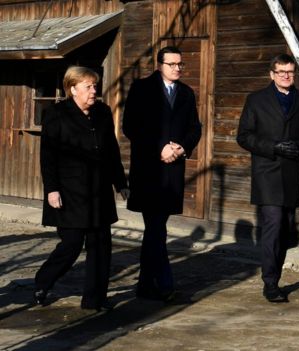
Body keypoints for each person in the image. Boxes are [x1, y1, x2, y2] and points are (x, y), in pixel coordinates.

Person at [35, 66, 129, 311]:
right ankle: (43, 281)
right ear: (73, 88)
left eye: (95, 86)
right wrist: (52, 189)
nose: (93, 91)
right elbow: (48, 156)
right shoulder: (56, 114)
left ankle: (95, 299)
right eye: (88, 86)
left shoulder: (102, 112)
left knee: (100, 247)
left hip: (98, 191)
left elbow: (111, 151)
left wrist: (121, 183)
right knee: (71, 244)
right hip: (69, 191)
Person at [237, 54, 299, 302]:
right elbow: (244, 136)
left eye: (290, 72)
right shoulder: (256, 100)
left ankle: (275, 278)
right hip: (267, 173)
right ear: (271, 74)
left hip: (291, 173)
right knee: (272, 224)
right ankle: (270, 283)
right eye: (281, 71)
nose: (286, 76)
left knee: (284, 229)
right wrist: (273, 146)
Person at [122, 46, 202, 302]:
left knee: (156, 228)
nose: (177, 68)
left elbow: (194, 128)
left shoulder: (187, 93)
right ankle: (164, 284)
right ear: (159, 65)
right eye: (172, 64)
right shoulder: (141, 88)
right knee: (156, 227)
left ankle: (146, 286)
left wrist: (181, 147)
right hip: (149, 170)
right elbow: (131, 126)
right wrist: (160, 148)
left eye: (180, 64)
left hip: (172, 171)